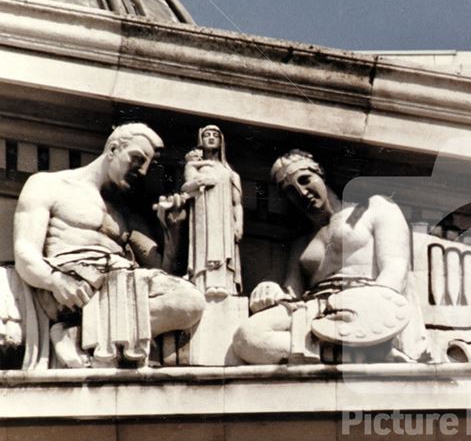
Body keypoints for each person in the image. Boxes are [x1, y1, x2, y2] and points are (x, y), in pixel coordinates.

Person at [13, 123, 205, 367]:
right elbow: (25, 251)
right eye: (137, 159)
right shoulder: (49, 185)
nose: (142, 171)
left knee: (190, 302)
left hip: (121, 285)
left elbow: (163, 270)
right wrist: (54, 280)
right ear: (113, 149)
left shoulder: (129, 213)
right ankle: (101, 338)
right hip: (73, 284)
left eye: (147, 166)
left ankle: (80, 334)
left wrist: (173, 230)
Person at [232, 150, 432, 364]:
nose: (301, 192)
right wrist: (270, 289)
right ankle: (348, 355)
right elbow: (292, 295)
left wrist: (377, 315)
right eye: (290, 191)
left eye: (305, 180)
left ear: (320, 173)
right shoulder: (301, 243)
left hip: (364, 301)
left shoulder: (369, 208)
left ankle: (353, 350)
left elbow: (395, 268)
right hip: (315, 310)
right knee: (248, 336)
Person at [182, 124, 242, 298]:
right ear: (201, 140)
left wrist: (239, 224)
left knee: (223, 246)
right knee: (205, 245)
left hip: (224, 217)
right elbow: (186, 188)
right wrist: (201, 181)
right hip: (204, 212)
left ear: (221, 140)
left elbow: (236, 202)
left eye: (215, 135)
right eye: (207, 135)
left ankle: (223, 284)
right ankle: (204, 282)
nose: (211, 137)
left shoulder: (230, 173)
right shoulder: (195, 166)